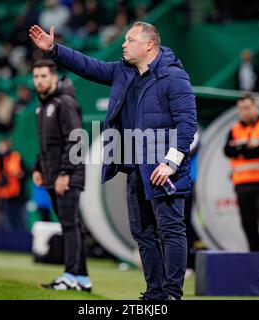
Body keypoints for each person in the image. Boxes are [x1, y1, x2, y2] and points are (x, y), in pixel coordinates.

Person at [29, 21, 197, 300]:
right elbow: (88, 65)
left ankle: (172, 294)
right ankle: (154, 293)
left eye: (130, 40)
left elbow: (187, 123)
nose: (123, 44)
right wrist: (54, 50)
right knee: (143, 233)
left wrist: (171, 162)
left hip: (164, 169)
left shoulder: (174, 77)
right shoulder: (123, 71)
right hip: (135, 168)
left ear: (148, 45)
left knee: (170, 229)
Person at [31, 59, 90, 292]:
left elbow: (76, 139)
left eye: (44, 76)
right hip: (52, 175)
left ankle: (70, 275)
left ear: (53, 77)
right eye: (36, 77)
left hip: (67, 175)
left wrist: (65, 172)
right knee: (72, 225)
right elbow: (46, 143)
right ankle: (82, 278)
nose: (39, 81)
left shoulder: (65, 103)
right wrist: (38, 167)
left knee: (69, 225)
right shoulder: (42, 106)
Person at [224, 95, 259, 252]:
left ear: (255, 107)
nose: (245, 112)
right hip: (241, 184)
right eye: (242, 108)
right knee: (249, 225)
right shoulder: (234, 129)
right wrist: (252, 147)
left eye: (248, 107)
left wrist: (241, 149)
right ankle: (256, 261)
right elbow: (228, 151)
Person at [0, 139, 27, 232]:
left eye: (3, 146)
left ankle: (20, 239)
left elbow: (25, 173)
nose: (0, 148)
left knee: (17, 219)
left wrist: (20, 175)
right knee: (1, 220)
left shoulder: (16, 157)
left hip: (15, 195)